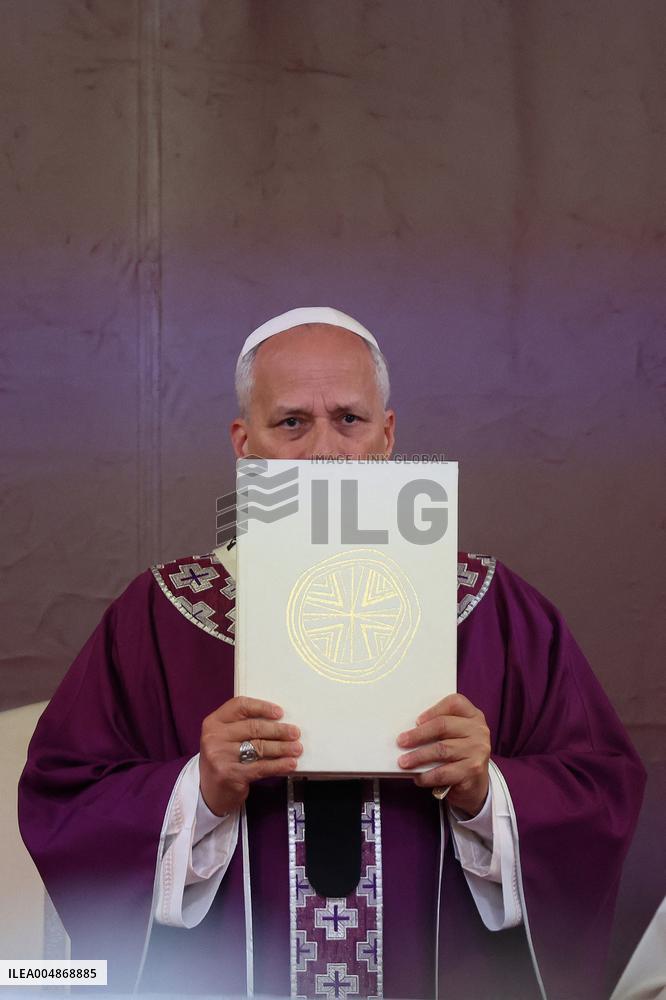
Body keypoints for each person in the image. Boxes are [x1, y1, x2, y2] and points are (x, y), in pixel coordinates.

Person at [19, 307, 645, 999]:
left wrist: (485, 789)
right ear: (244, 444)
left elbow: (600, 789)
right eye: (291, 422)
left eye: (349, 418)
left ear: (387, 437)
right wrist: (197, 790)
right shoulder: (162, 613)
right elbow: (65, 797)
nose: (323, 450)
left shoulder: (491, 607)